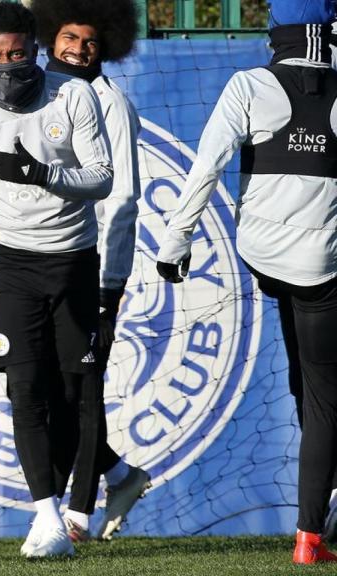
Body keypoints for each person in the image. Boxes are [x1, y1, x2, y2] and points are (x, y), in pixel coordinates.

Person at [155, 0, 337, 564]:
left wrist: (174, 242)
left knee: (306, 380)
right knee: (327, 395)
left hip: (263, 255)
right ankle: (311, 533)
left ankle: (322, 499)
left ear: (274, 31)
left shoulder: (248, 84)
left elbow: (206, 166)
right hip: (322, 264)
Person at [0, 1, 112, 558]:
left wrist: (43, 173)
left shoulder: (73, 95)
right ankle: (47, 517)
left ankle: (72, 504)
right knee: (23, 389)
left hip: (75, 260)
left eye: (16, 54)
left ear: (35, 50)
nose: (6, 66)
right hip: (13, 266)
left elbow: (102, 179)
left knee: (75, 391)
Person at [31, 0, 151, 542]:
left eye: (90, 41)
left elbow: (123, 198)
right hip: (35, 261)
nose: (77, 49)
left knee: (83, 384)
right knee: (44, 388)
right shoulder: (31, 91)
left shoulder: (111, 103)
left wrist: (112, 286)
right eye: (68, 37)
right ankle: (120, 475)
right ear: (49, 36)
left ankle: (75, 513)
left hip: (90, 265)